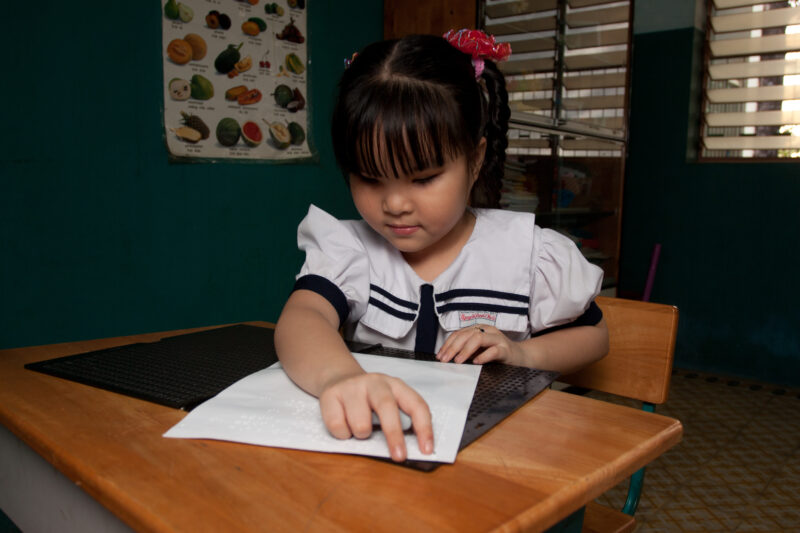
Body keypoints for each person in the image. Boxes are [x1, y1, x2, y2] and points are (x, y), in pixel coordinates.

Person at [274, 30, 609, 462]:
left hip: (501, 460)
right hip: (385, 453)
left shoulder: (527, 253)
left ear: (475, 160)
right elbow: (303, 317)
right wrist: (338, 377)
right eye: (370, 178)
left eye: (423, 178)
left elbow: (595, 337)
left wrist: (523, 352)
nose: (395, 204)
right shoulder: (350, 249)